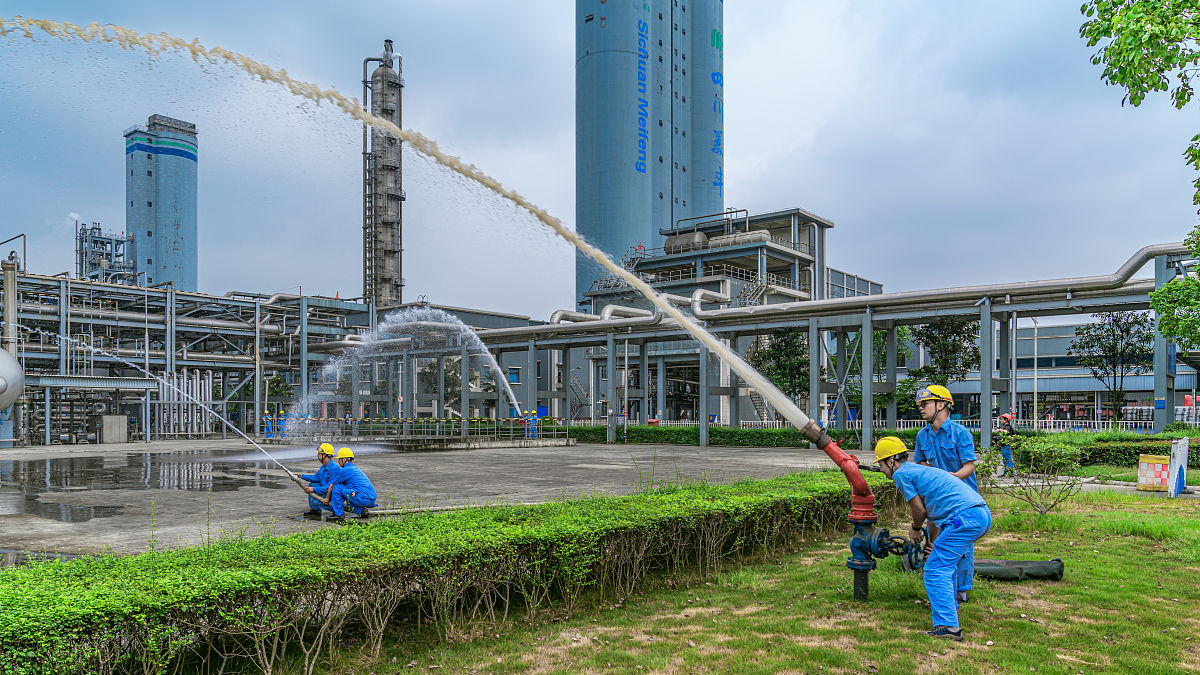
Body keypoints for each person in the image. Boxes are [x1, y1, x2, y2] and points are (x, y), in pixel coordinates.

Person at [875, 436, 992, 642]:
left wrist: (915, 528)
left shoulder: (901, 475)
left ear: (891, 461)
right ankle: (951, 607)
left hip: (963, 519)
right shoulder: (918, 470)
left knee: (936, 569)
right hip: (979, 514)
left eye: (882, 464)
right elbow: (935, 514)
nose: (882, 470)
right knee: (946, 564)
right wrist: (932, 543)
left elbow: (919, 510)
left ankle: (948, 626)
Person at [913, 384, 978, 603]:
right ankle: (940, 586)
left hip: (962, 500)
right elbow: (920, 462)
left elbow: (969, 466)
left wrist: (948, 479)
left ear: (941, 405)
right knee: (934, 541)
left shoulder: (960, 433)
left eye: (925, 404)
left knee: (960, 544)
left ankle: (961, 591)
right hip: (937, 498)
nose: (921, 408)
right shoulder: (922, 436)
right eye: (920, 405)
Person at [325, 447, 378, 522]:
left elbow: (331, 487)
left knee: (337, 487)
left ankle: (339, 514)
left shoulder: (344, 470)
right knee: (349, 493)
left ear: (344, 459)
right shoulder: (355, 468)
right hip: (371, 499)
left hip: (362, 498)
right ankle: (362, 511)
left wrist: (327, 499)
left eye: (339, 459)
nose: (338, 461)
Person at [294, 443, 341, 518]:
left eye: (319, 454)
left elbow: (329, 488)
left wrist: (313, 489)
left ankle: (337, 509)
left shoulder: (334, 469)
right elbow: (316, 478)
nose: (317, 456)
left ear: (325, 455)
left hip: (333, 494)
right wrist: (301, 476)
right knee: (312, 484)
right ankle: (315, 510)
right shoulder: (324, 466)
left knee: (315, 500)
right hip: (326, 491)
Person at [996, 413, 1017, 477]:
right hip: (1004, 446)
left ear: (1006, 420)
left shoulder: (1008, 427)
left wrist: (1000, 430)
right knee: (1005, 460)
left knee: (1008, 459)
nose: (1001, 421)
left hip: (1006, 446)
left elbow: (1006, 431)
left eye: (1002, 419)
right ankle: (1006, 472)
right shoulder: (1005, 427)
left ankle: (1010, 473)